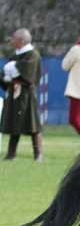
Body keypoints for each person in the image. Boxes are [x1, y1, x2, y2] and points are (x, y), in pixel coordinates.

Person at [1, 28, 43, 161]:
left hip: (26, 95)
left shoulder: (32, 55)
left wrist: (13, 70)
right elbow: (7, 72)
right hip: (13, 94)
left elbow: (27, 73)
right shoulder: (16, 55)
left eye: (14, 38)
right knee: (14, 122)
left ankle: (38, 154)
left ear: (21, 41)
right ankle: (11, 154)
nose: (11, 41)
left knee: (32, 124)